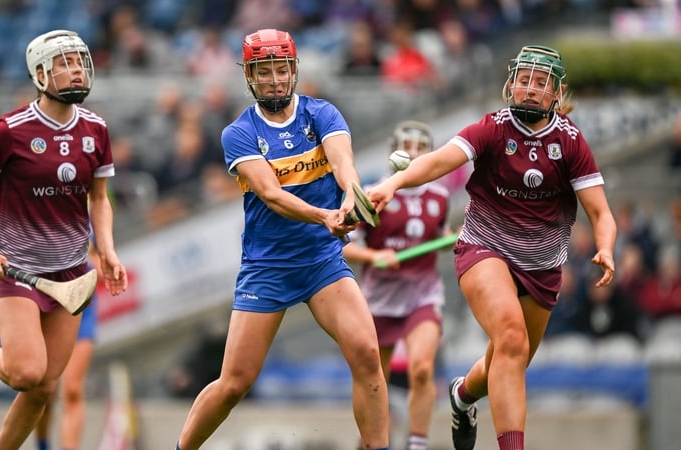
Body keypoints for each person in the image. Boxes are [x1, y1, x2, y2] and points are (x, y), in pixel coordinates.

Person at [367, 45, 617, 450]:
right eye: (523, 80)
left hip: (542, 266)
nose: (530, 90)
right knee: (511, 340)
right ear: (510, 84)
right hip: (485, 247)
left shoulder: (570, 143)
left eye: (540, 83)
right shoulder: (492, 128)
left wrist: (605, 247)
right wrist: (393, 183)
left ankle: (462, 396)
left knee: (508, 358)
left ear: (556, 92)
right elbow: (438, 161)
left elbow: (601, 213)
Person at [174, 28, 389, 450]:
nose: (274, 79)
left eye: (281, 69)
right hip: (268, 268)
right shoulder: (238, 132)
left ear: (294, 71)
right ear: (249, 77)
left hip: (321, 262)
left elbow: (344, 163)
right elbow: (272, 194)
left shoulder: (322, 113)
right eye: (264, 71)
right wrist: (324, 215)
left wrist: (350, 197)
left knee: (367, 353)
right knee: (234, 383)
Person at [0, 29, 128, 450]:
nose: (76, 72)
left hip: (72, 275)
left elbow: (100, 199)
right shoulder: (8, 132)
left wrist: (106, 249)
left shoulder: (96, 129)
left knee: (44, 389)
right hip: (18, 271)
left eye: (79, 62)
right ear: (39, 74)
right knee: (27, 373)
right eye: (64, 64)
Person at [343, 120, 451, 450]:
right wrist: (374, 255)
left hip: (423, 294)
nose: (415, 153)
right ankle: (371, 443)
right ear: (394, 151)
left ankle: (417, 444)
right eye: (408, 146)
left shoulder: (440, 196)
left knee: (421, 369)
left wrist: (451, 241)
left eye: (422, 147)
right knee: (375, 381)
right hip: (379, 299)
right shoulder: (374, 193)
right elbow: (345, 245)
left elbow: (441, 236)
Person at [34, 245, 102, 450]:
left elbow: (100, 259)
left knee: (73, 389)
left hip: (82, 308)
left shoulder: (94, 215)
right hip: (48, 306)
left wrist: (100, 265)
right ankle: (43, 445)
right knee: (46, 393)